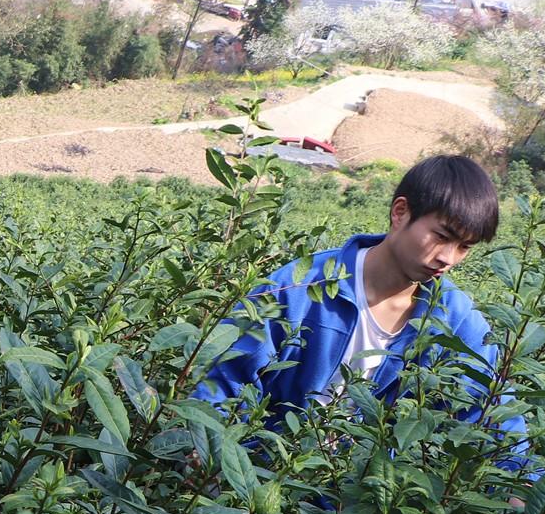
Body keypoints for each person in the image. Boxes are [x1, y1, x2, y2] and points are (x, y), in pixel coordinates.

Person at [193, 155, 527, 464]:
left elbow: (492, 409)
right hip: (266, 473)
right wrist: (208, 450)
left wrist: (520, 487)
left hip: (367, 498)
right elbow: (227, 380)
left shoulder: (455, 319)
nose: (448, 258)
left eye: (464, 247)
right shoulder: (300, 287)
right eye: (441, 236)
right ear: (400, 213)